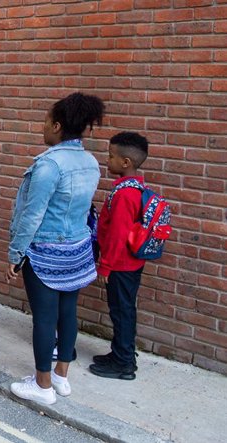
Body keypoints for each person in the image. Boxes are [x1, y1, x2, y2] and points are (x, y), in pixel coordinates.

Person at [5, 92, 104, 405]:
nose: (43, 127)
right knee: (68, 313)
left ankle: (42, 385)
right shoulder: (90, 162)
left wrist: (16, 253)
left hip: (45, 252)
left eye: (46, 122)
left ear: (58, 126)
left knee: (45, 319)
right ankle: (61, 377)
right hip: (77, 250)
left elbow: (32, 214)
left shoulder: (48, 165)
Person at [89, 132, 150, 381]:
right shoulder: (135, 187)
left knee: (121, 311)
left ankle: (124, 364)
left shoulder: (125, 194)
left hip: (121, 264)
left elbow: (117, 235)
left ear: (126, 162)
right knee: (123, 309)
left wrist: (105, 267)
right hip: (129, 263)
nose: (107, 160)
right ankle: (119, 353)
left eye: (111, 156)